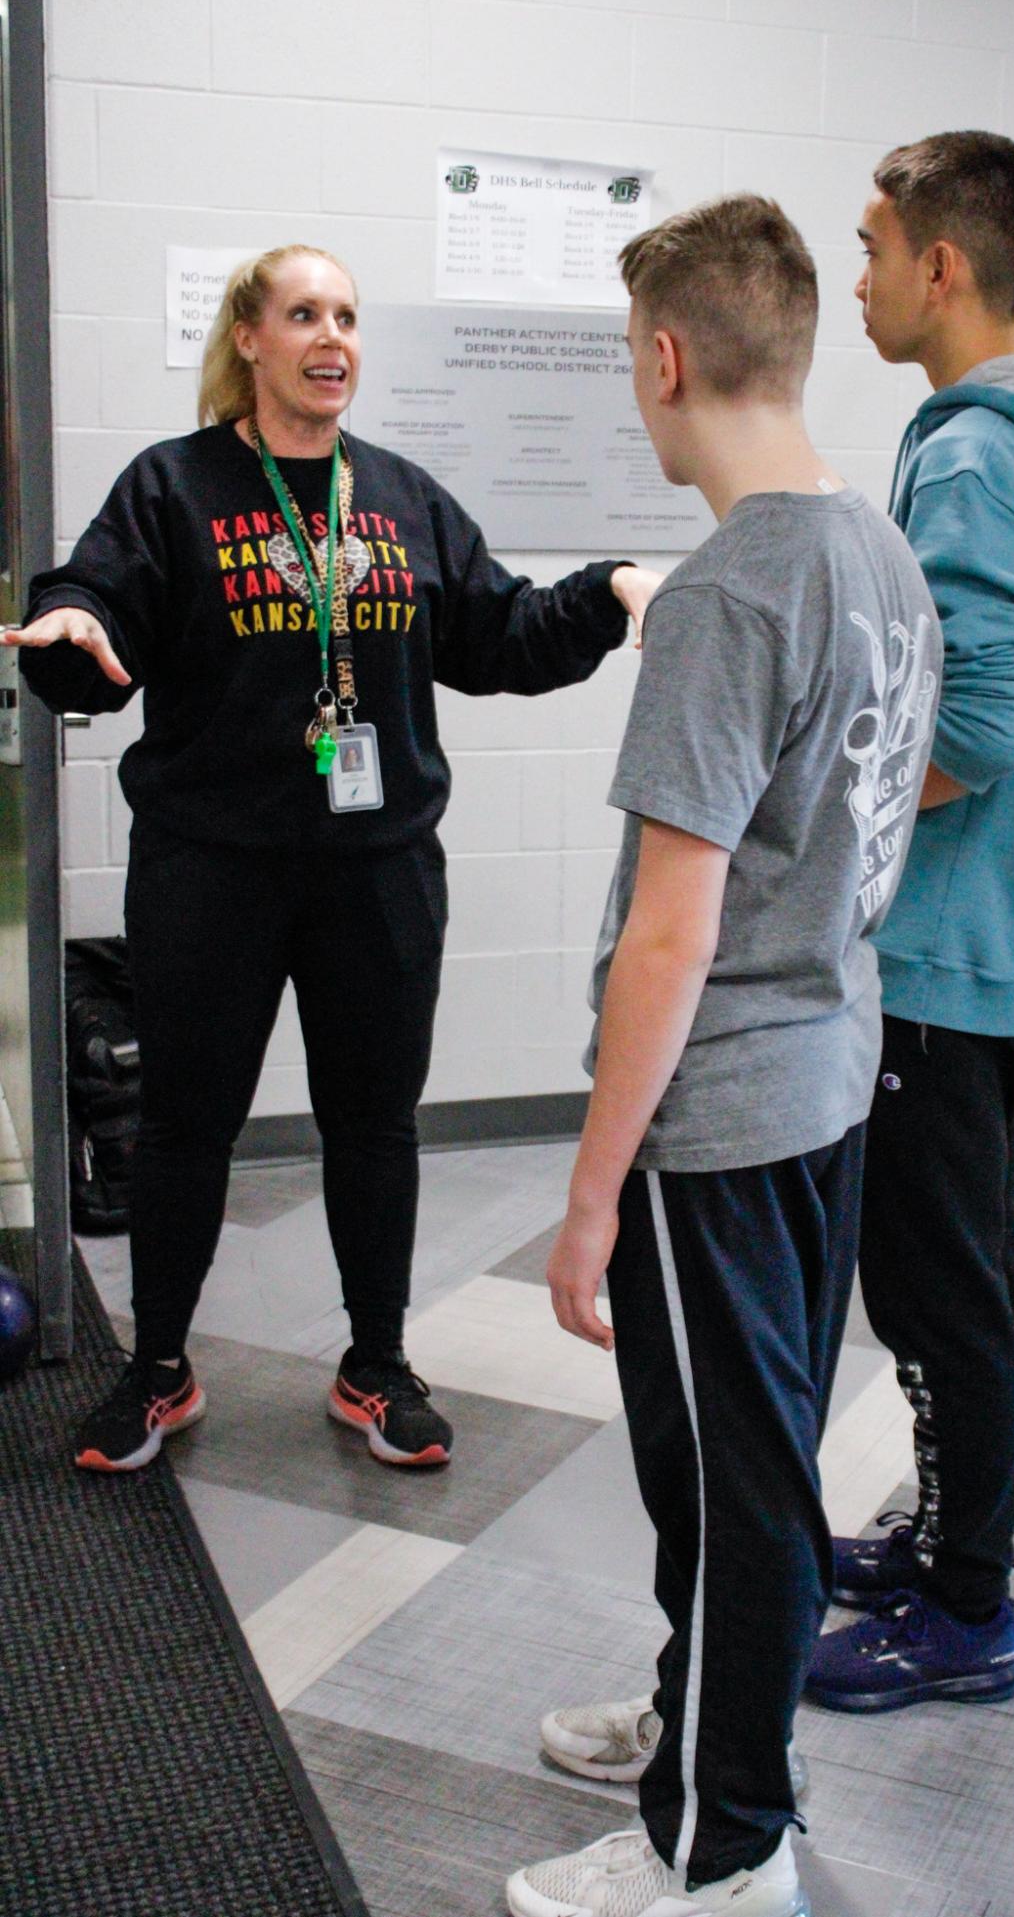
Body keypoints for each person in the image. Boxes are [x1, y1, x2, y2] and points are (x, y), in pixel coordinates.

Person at [10, 243, 657, 1476]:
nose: (332, 337)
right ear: (248, 339)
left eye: (348, 316)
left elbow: (496, 634)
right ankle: (157, 1367)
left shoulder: (402, 497)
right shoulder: (175, 487)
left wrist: (608, 588)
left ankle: (374, 1365)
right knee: (185, 1126)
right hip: (213, 867)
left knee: (374, 1124)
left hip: (378, 871)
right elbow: (94, 609)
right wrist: (71, 626)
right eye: (303, 313)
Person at [504, 196, 940, 1917]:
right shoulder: (874, 552)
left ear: (667, 357)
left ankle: (715, 1853)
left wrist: (589, 1194)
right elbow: (871, 808)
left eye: (629, 355)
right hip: (831, 1076)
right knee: (744, 1470)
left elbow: (667, 937)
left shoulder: (720, 594)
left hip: (722, 1124)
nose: (633, 381)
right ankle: (709, 1725)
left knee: (734, 1486)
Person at [803, 131, 1014, 1715]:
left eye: (866, 247)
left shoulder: (979, 456)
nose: (850, 277)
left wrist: (824, 816)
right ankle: (945, 1531)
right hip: (977, 945)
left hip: (945, 955)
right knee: (953, 1269)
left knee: (939, 1288)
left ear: (940, 265)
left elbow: (980, 722)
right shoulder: (992, 442)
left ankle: (967, 1608)